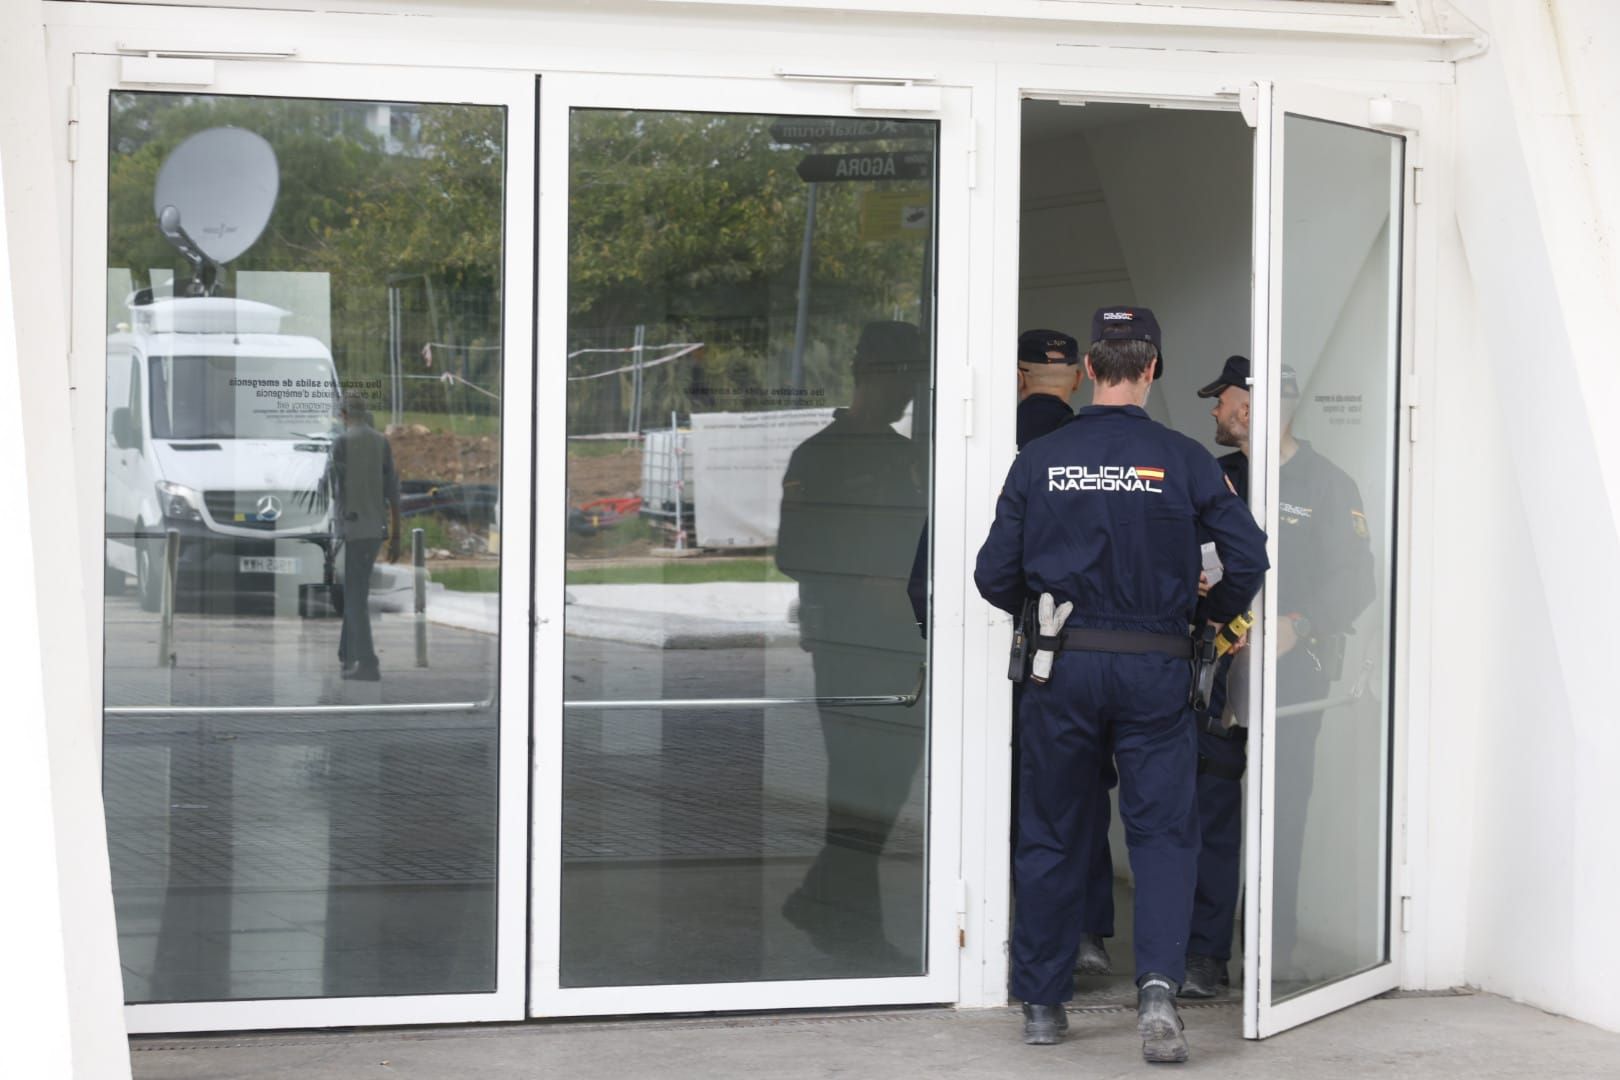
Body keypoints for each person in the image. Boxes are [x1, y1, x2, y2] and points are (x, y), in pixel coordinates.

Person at [976, 307, 1267, 1065]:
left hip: (1063, 664)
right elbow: (1248, 558)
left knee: (1052, 828)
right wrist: (1209, 615)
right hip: (1156, 666)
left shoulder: (1041, 457)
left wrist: (1046, 610)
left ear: (1091, 368)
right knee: (1164, 832)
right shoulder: (1183, 458)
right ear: (1152, 368)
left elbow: (991, 574)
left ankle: (1043, 1004)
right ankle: (1160, 994)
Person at [1181, 355, 1375, 998]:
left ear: (1254, 404)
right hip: (1216, 672)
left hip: (1293, 678)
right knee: (1210, 808)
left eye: (1222, 398)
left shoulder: (1328, 484)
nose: (1215, 410)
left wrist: (1303, 624)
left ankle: (1272, 951)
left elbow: (1357, 580)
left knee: (1282, 812)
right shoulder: (1214, 477)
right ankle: (1204, 956)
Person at [777, 321, 930, 975]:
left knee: (888, 784)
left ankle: (823, 901)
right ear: (876, 375)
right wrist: (865, 580)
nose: (910, 395)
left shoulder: (907, 456)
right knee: (857, 785)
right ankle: (852, 931)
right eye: (906, 381)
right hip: (847, 644)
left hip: (902, 644)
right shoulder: (819, 456)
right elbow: (793, 551)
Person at [1012, 327, 1115, 976]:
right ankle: (1086, 932)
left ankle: (1025, 939)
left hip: (1019, 642)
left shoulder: (992, 449)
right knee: (1082, 794)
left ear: (1017, 379)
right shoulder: (1102, 450)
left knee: (1029, 800)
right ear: (1078, 377)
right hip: (1090, 646)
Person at [330, 393, 402, 682]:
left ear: (344, 414)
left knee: (354, 598)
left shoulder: (341, 443)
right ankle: (346, 653)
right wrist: (397, 536)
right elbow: (393, 492)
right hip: (374, 532)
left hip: (352, 530)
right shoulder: (381, 443)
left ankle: (368, 662)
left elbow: (336, 489)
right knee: (356, 593)